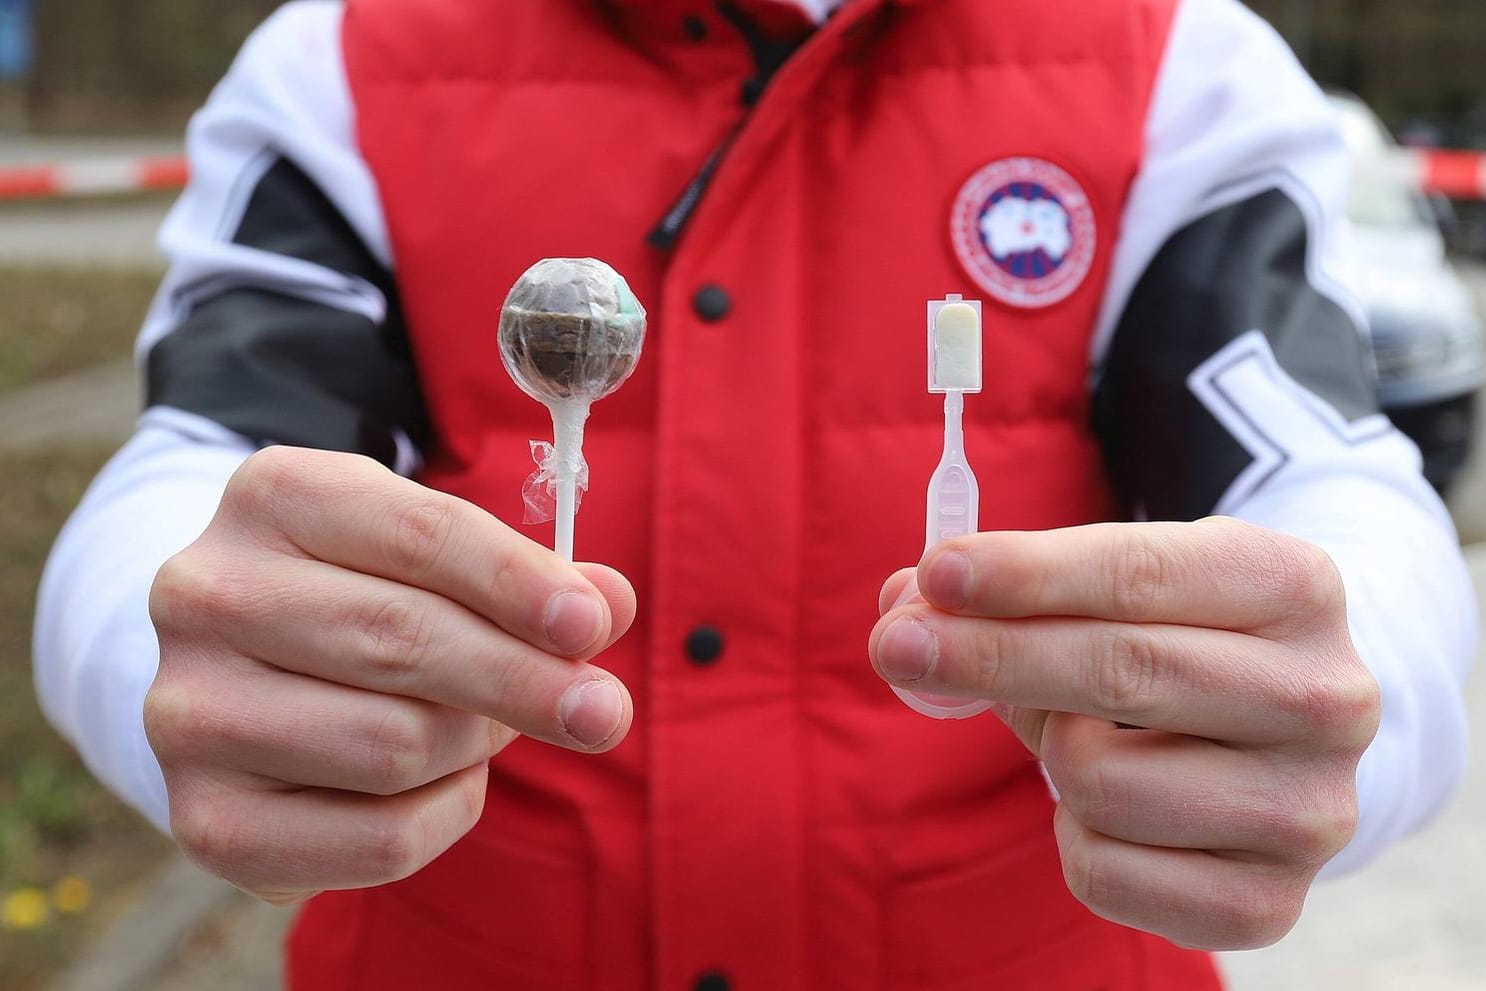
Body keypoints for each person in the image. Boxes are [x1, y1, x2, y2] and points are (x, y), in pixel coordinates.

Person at [33, 0, 1477, 988]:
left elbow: (1322, 475)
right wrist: (166, 656)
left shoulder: (1171, 57)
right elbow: (200, 461)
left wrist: (1354, 698)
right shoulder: (345, 55)